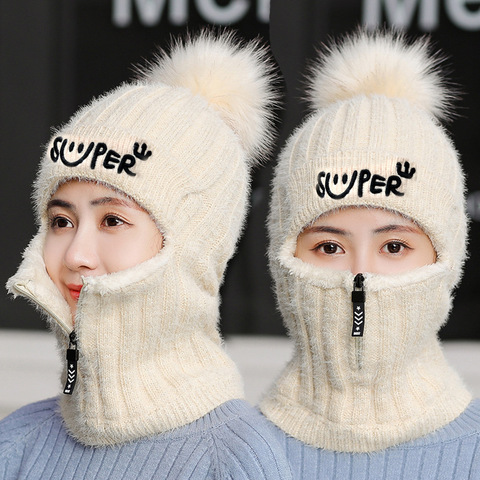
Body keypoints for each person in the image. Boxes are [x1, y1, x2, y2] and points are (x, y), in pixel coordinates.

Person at [0, 31, 292, 480]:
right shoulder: (15, 442)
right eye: (61, 220)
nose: (76, 254)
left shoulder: (235, 461)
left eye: (113, 221)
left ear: (194, 245)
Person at [259, 30, 480, 478]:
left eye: (394, 246)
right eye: (329, 246)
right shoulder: (232, 450)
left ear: (448, 257)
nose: (360, 274)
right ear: (283, 261)